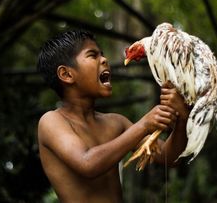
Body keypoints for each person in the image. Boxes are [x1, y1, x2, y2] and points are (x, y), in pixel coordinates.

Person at [36, 30, 189, 202]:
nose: (104, 59)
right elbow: (87, 164)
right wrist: (144, 125)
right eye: (93, 55)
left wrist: (182, 118)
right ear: (66, 74)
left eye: (102, 54)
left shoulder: (116, 122)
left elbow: (169, 157)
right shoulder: (52, 122)